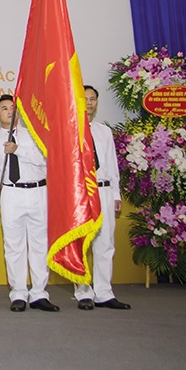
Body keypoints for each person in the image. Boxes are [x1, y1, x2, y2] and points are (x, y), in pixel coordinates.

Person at [0, 94, 59, 312]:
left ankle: (39, 293)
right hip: (11, 194)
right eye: (4, 108)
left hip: (38, 191)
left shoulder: (35, 137)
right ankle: (18, 293)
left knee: (39, 245)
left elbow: (46, 162)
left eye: (13, 108)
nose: (9, 111)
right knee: (14, 246)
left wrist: (18, 150)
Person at [75, 85, 131, 310]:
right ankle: (83, 292)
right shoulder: (69, 131)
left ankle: (104, 292)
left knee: (105, 243)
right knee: (82, 244)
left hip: (104, 190)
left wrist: (116, 193)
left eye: (93, 99)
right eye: (85, 98)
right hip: (81, 193)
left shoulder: (104, 131)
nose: (89, 103)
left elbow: (112, 164)